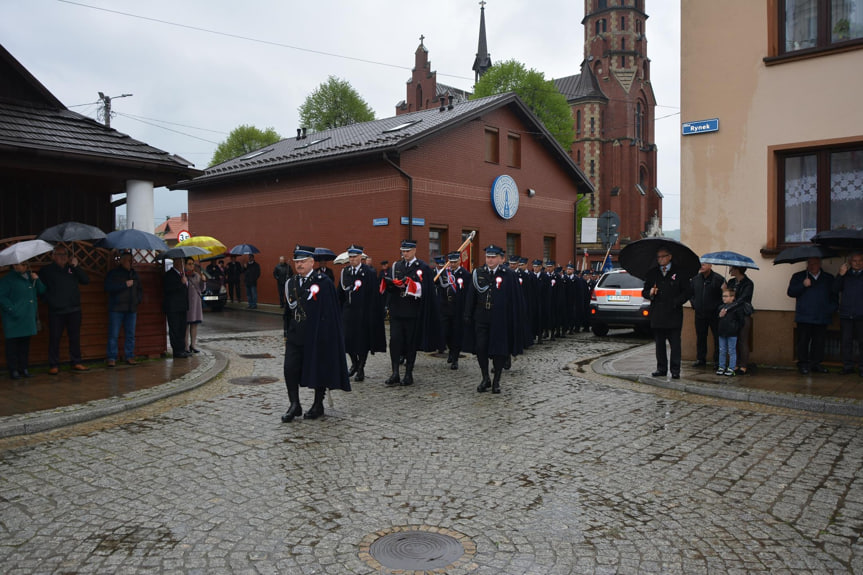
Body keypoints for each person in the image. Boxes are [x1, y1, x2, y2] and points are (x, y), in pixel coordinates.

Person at [281, 244, 350, 422]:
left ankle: (318, 404)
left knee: (319, 368)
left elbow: (330, 312)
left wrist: (328, 335)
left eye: (303, 261)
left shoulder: (323, 282)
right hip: (296, 335)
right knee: (290, 369)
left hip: (318, 335)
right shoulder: (292, 283)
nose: (299, 265)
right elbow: (288, 312)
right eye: (297, 262)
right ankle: (294, 404)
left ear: (312, 262)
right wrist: (286, 332)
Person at [463, 244, 526, 393]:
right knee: (481, 347)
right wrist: (467, 314)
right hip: (481, 316)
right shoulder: (478, 273)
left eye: (493, 257)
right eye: (488, 257)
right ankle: (485, 377)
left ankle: (496, 380)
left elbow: (515, 299)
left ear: (501, 259)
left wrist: (514, 318)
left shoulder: (508, 275)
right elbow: (471, 295)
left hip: (500, 319)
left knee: (499, 350)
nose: (490, 260)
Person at [383, 239, 440, 386]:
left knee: (410, 343)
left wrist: (412, 286)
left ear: (414, 250)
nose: (405, 254)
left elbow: (427, 290)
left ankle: (408, 373)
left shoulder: (422, 267)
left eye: (408, 251)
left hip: (412, 312)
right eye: (403, 251)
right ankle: (395, 372)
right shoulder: (397, 266)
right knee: (395, 342)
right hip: (397, 310)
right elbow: (390, 286)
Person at [642, 245, 693, 379]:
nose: (660, 259)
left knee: (675, 344)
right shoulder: (653, 273)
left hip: (673, 314)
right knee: (659, 344)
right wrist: (650, 293)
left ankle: (675, 370)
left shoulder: (680, 272)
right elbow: (645, 292)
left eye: (663, 256)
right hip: (657, 314)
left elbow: (688, 292)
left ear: (670, 257)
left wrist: (676, 302)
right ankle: (661, 368)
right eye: (658, 257)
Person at [338, 244, 385, 382]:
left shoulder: (368, 272)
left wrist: (373, 313)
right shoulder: (345, 272)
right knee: (347, 341)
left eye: (354, 257)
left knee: (362, 342)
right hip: (348, 312)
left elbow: (373, 295)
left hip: (363, 313)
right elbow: (340, 293)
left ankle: (361, 368)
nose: (352, 259)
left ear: (361, 257)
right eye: (350, 257)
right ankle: (355, 363)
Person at [39, 246, 90, 374]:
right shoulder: (46, 270)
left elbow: (85, 281)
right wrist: (50, 301)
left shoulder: (72, 268)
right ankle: (54, 364)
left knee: (74, 337)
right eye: (60, 254)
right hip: (56, 311)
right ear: (53, 256)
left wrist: (76, 266)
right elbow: (40, 290)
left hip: (74, 309)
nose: (63, 257)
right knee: (54, 338)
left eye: (65, 255)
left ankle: (76, 362)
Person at [787, 257, 837, 375]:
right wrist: (803, 285)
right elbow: (790, 292)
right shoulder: (798, 276)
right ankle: (803, 364)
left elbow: (834, 295)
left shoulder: (828, 278)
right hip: (805, 315)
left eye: (814, 263)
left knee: (819, 342)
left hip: (822, 315)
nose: (812, 266)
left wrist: (831, 309)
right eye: (809, 263)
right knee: (803, 341)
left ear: (820, 264)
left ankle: (816, 364)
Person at [0, 261, 45, 379]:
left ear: (26, 266)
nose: (17, 266)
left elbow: (41, 291)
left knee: (25, 345)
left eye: (20, 264)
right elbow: (2, 297)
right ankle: (13, 370)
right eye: (15, 264)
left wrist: (37, 279)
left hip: (28, 317)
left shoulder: (31, 277)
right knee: (12, 346)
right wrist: (12, 310)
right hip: (13, 318)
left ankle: (23, 368)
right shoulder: (7, 279)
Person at [104, 251, 143, 366]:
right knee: (113, 334)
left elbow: (139, 289)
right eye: (127, 260)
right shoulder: (114, 273)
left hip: (131, 308)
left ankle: (129, 356)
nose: (130, 263)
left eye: (131, 260)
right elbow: (108, 287)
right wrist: (124, 285)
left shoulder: (134, 274)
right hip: (117, 308)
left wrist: (137, 300)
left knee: (130, 334)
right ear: (121, 261)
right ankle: (112, 357)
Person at [833, 252, 863, 376]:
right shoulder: (845, 274)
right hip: (846, 314)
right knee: (846, 342)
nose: (857, 263)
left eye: (860, 261)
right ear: (850, 262)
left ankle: (862, 368)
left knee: (862, 342)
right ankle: (847, 366)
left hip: (861, 315)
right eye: (855, 261)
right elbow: (834, 289)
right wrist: (840, 275)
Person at [438, 251, 469, 370]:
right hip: (445, 307)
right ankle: (450, 350)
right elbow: (440, 289)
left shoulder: (465, 274)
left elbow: (467, 293)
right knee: (446, 333)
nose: (452, 264)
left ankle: (455, 358)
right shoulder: (444, 273)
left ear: (459, 261)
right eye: (451, 262)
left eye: (455, 262)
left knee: (456, 333)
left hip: (458, 308)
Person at [690, 262, 725, 367]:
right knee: (700, 337)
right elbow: (691, 293)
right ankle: (701, 359)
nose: (701, 266)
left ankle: (718, 361)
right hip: (700, 313)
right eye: (700, 264)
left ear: (710, 266)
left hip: (715, 314)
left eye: (704, 264)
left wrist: (718, 308)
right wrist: (694, 304)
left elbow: (724, 296)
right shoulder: (695, 279)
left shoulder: (719, 279)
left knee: (717, 337)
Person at [725, 265, 755, 375]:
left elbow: (743, 298)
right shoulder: (731, 282)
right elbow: (727, 297)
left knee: (743, 339)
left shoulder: (748, 283)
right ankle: (735, 363)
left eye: (731, 269)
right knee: (734, 340)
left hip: (743, 314)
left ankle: (743, 365)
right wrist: (725, 291)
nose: (730, 271)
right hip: (733, 314)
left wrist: (732, 299)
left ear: (737, 270)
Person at [163, 256, 190, 358]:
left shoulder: (182, 275)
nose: (182, 264)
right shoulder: (169, 275)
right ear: (176, 263)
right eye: (180, 262)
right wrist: (180, 283)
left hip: (182, 306)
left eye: (183, 262)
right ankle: (177, 350)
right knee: (175, 329)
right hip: (173, 307)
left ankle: (182, 348)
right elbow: (169, 289)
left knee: (182, 328)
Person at [716, 288, 745, 376]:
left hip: (732, 333)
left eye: (726, 296)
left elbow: (741, 320)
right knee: (722, 350)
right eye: (723, 296)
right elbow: (717, 319)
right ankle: (721, 366)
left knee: (731, 351)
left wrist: (735, 328)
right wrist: (720, 315)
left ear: (732, 297)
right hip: (722, 332)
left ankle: (731, 368)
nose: (724, 298)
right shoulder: (721, 307)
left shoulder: (736, 308)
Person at [185, 258, 203, 354]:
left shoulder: (196, 275)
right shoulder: (184, 276)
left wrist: (203, 281)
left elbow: (202, 289)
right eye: (189, 264)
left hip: (196, 303)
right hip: (187, 303)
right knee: (186, 325)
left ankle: (193, 344)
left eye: (193, 264)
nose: (191, 266)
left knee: (194, 324)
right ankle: (186, 346)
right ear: (185, 265)